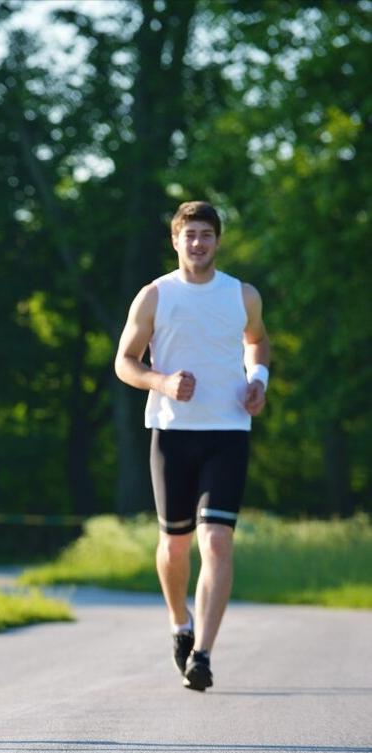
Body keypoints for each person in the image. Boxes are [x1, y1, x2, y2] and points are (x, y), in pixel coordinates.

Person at [114, 200, 271, 691]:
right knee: (174, 545)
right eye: (190, 234)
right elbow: (125, 361)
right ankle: (179, 623)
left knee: (218, 540)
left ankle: (202, 653)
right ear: (175, 240)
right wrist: (161, 383)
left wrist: (258, 380)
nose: (198, 243)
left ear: (217, 241)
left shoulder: (241, 295)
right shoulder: (155, 295)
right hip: (172, 433)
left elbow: (258, 341)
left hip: (227, 432)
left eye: (206, 234)